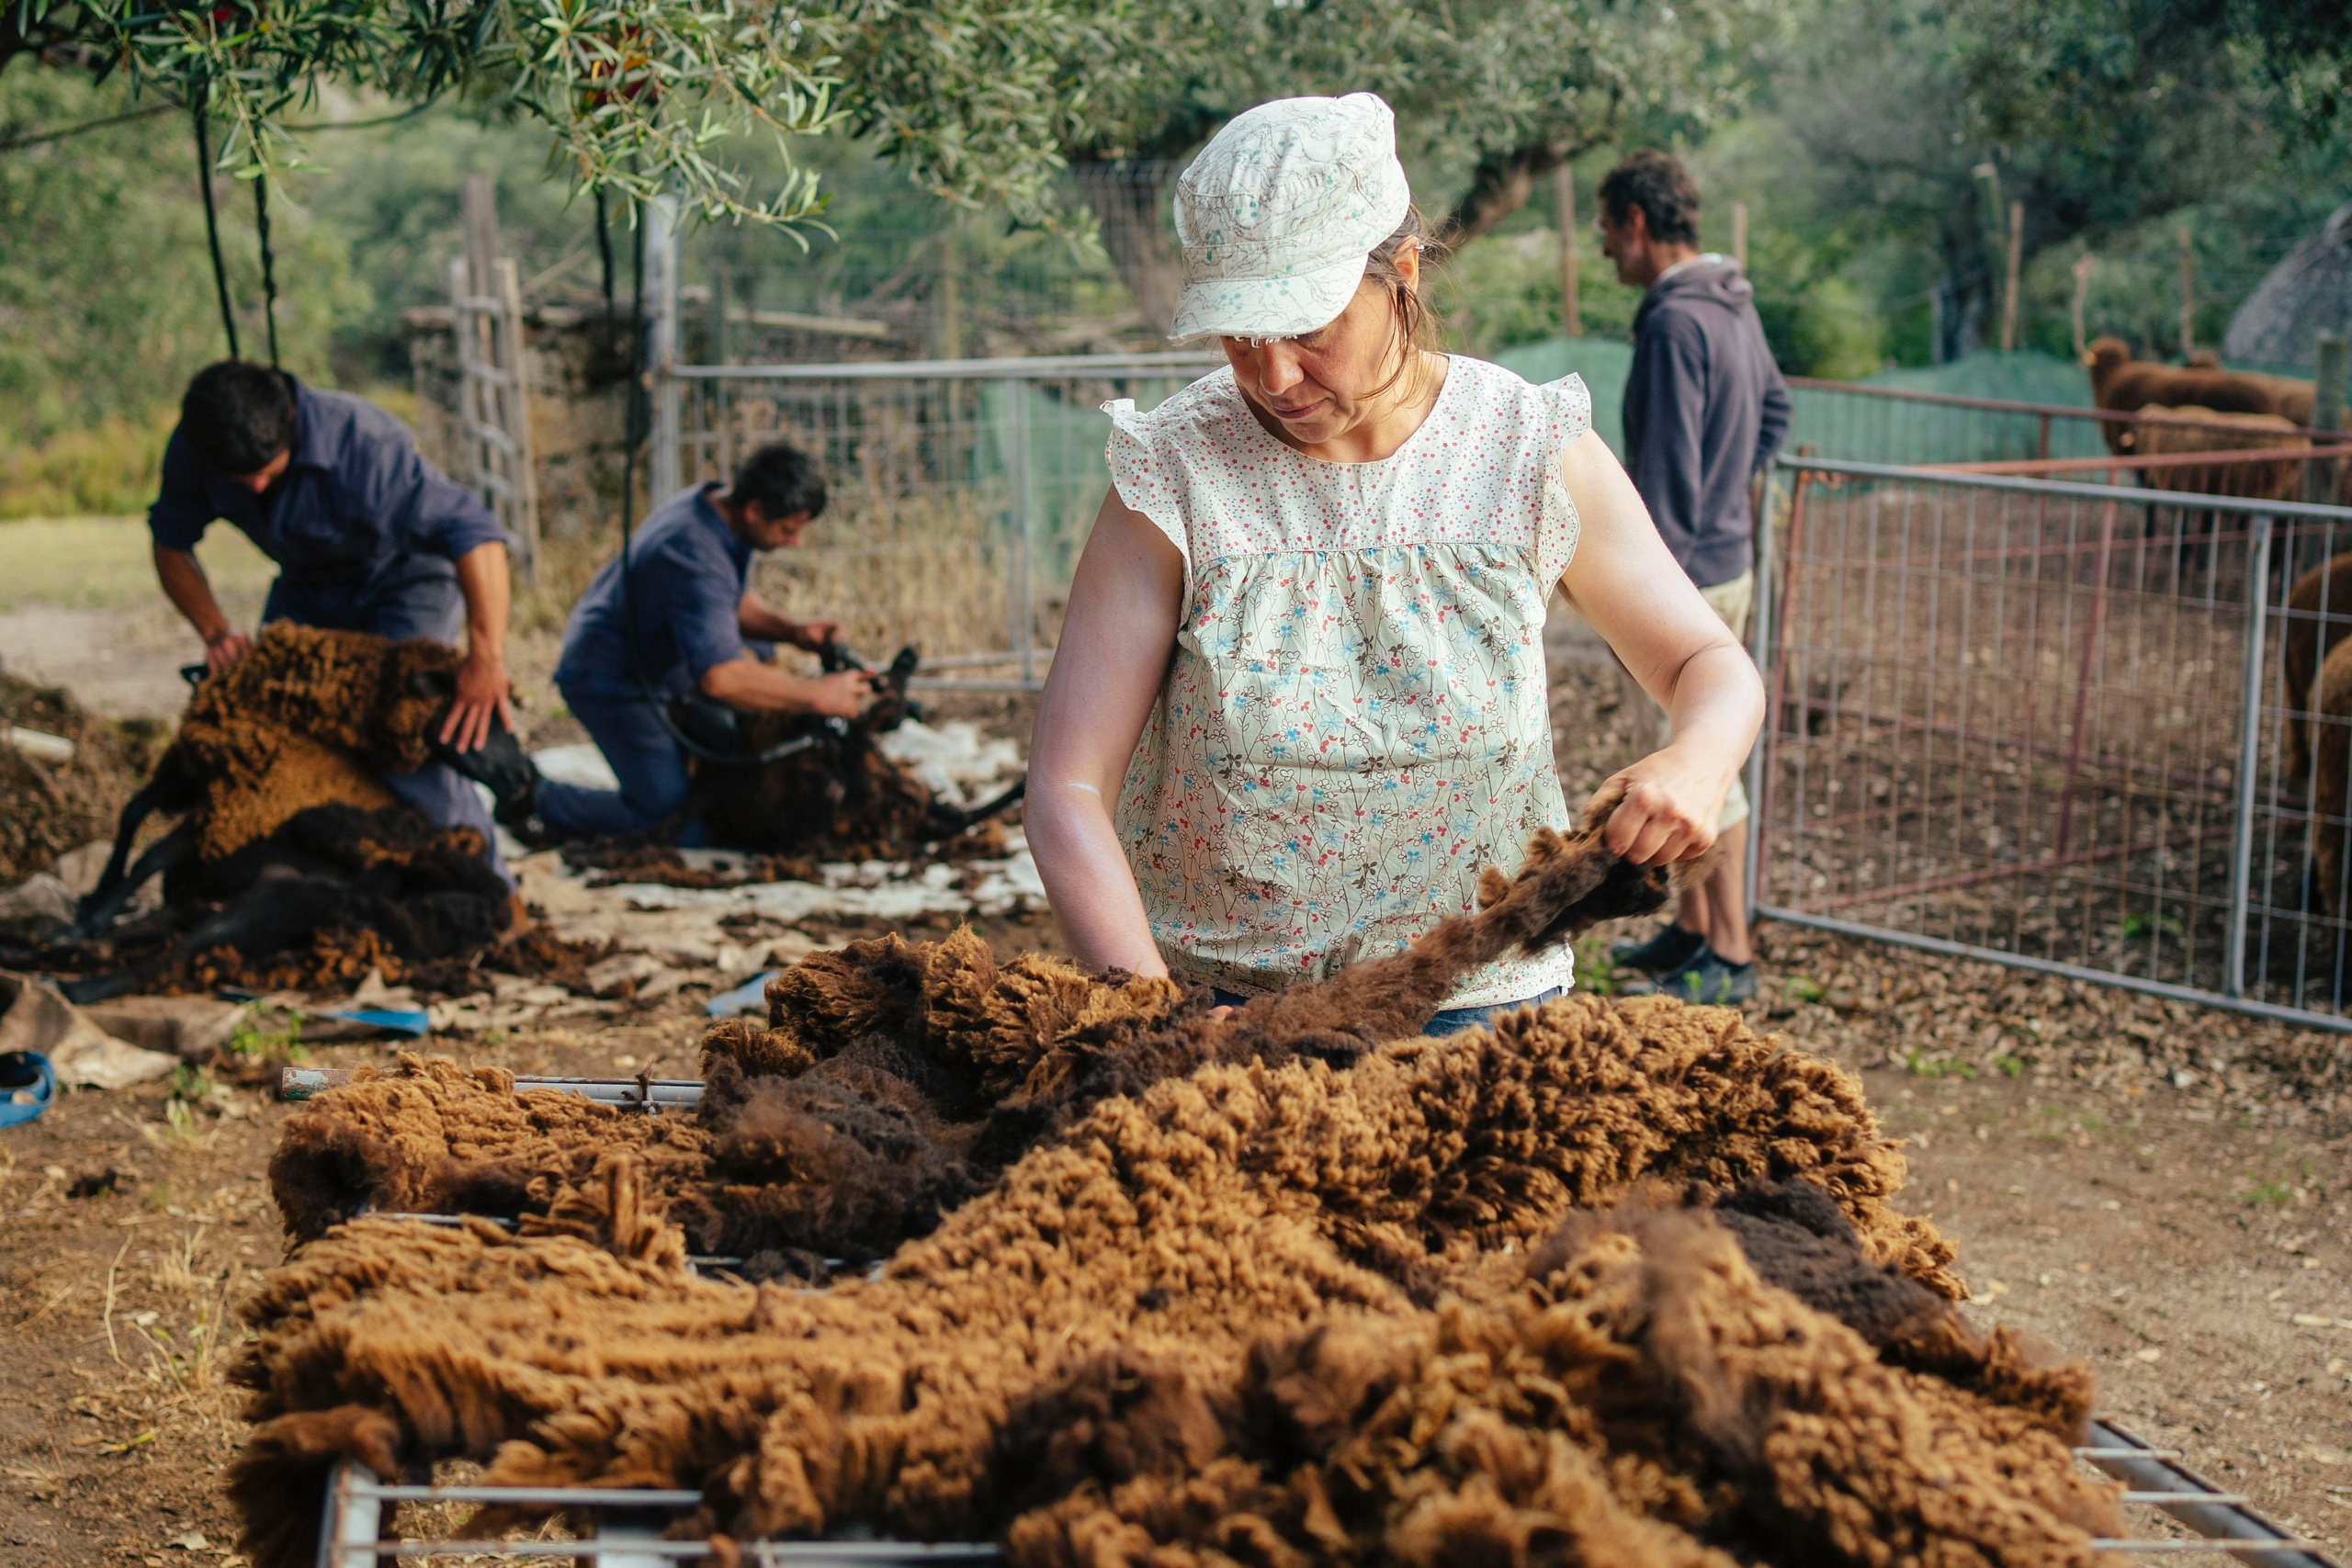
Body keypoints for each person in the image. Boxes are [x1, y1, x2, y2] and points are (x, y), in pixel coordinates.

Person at [1026, 94, 1765, 1035]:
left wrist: (1699, 760)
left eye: (1309, 329)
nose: (1275, 378)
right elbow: (1066, 787)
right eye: (1240, 338)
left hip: (1482, 1014)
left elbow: (1711, 666)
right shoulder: (1174, 473)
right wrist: (1153, 1021)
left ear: (1403, 271)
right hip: (1229, 1025)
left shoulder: (1524, 447)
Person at [148, 360, 517, 884]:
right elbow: (170, 544)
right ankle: (322, 876)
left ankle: (492, 886)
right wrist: (215, 631)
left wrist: (487, 655)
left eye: (268, 471)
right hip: (309, 583)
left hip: (406, 579)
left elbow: (476, 535)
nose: (254, 486)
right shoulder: (196, 445)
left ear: (291, 423)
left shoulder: (365, 446)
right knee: (263, 720)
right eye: (240, 479)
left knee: (394, 732)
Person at [1596, 149, 1792, 1005]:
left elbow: (1668, 469)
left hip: (1684, 576)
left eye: (1607, 231)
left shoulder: (1675, 319)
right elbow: (1777, 409)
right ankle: (1692, 932)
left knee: (1702, 765)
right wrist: (1727, 499)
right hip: (1728, 556)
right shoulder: (1732, 303)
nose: (1607, 251)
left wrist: (1649, 581)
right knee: (1699, 754)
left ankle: (1731, 954)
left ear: (1637, 223)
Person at [518, 441, 874, 845]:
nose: (794, 543)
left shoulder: (713, 506)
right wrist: (817, 696)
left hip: (650, 662)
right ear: (755, 510)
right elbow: (722, 680)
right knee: (674, 823)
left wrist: (793, 631)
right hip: (610, 680)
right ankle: (536, 798)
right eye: (788, 530)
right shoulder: (693, 550)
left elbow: (722, 601)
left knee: (726, 765)